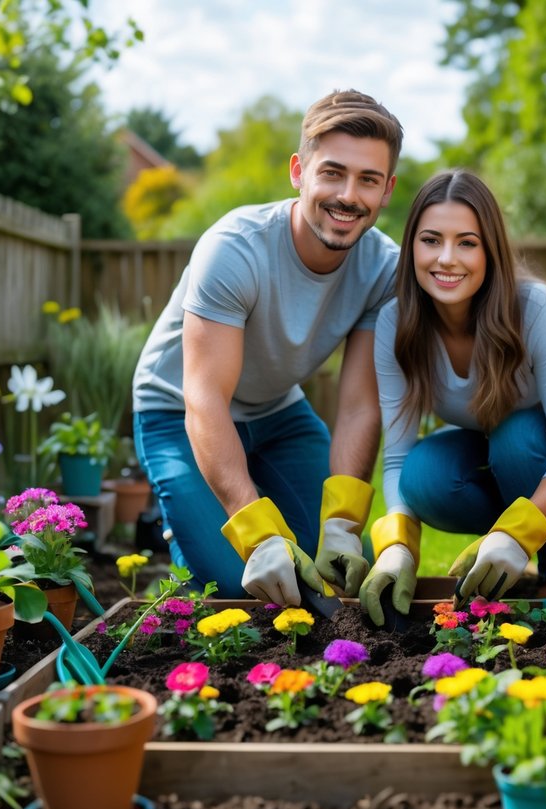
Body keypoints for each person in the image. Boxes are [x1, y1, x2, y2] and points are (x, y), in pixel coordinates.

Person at [131, 90, 403, 607]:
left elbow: (359, 404)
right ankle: (185, 532)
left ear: (387, 190)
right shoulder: (235, 249)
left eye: (368, 179)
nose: (348, 195)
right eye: (332, 172)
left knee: (342, 573)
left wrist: (343, 522)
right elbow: (205, 400)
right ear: (299, 171)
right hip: (177, 412)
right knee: (241, 587)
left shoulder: (382, 269)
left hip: (279, 411)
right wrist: (257, 534)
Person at [360, 170, 546, 624]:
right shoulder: (395, 323)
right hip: (495, 457)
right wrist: (397, 546)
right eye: (430, 240)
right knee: (422, 478)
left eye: (466, 242)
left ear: (490, 250)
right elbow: (397, 460)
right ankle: (506, 547)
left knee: (517, 437)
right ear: (412, 248)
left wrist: (518, 534)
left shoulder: (532, 306)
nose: (446, 258)